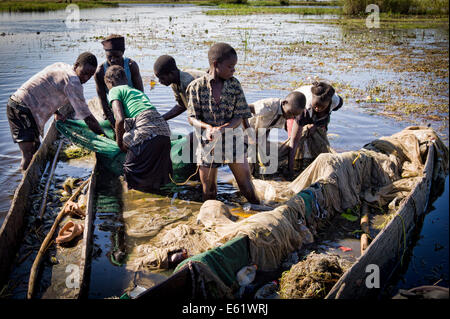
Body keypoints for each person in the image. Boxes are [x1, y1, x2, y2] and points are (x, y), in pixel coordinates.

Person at [186, 42, 259, 204]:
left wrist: (222, 129)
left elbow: (239, 116)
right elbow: (192, 117)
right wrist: (208, 128)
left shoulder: (234, 85)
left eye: (234, 67)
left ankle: (257, 209)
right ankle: (210, 220)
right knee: (209, 190)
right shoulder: (196, 87)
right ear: (215, 65)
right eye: (230, 67)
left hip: (233, 140)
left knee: (246, 186)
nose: (233, 70)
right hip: (208, 143)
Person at [6, 52, 105, 171]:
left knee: (36, 149)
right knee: (28, 155)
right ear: (77, 65)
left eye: (90, 75)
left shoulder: (61, 66)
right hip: (22, 108)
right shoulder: (73, 82)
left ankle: (28, 177)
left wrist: (56, 112)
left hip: (20, 105)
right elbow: (87, 117)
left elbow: (45, 89)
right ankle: (23, 179)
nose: (86, 78)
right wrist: (102, 136)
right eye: (84, 73)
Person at [104, 65, 172, 192]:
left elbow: (119, 120)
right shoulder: (137, 92)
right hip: (164, 133)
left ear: (109, 82)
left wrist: (120, 144)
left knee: (130, 173)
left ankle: (134, 203)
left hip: (146, 132)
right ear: (126, 79)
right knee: (154, 177)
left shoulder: (114, 90)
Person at [287, 81, 344, 175]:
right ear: (312, 101)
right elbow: (294, 140)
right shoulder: (302, 108)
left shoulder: (336, 101)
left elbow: (324, 119)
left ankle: (316, 162)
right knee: (298, 142)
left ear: (329, 103)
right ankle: (294, 163)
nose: (318, 108)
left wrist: (316, 125)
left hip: (318, 115)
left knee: (318, 138)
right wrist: (290, 169)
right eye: (316, 106)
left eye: (322, 106)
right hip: (295, 105)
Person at [245, 92, 306, 174]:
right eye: (290, 113)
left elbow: (268, 127)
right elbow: (244, 110)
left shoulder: (284, 114)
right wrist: (250, 135)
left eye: (294, 116)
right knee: (249, 162)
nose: (291, 117)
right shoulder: (269, 106)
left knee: (274, 155)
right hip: (242, 134)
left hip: (256, 139)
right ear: (284, 103)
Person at [94, 34, 144, 127]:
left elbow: (140, 93)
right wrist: (113, 123)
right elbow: (103, 100)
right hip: (114, 106)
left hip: (132, 104)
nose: (113, 60)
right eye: (109, 57)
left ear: (123, 53)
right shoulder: (100, 72)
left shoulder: (131, 66)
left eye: (117, 56)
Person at [153, 55, 206, 121]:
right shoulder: (174, 83)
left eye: (162, 78)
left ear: (171, 74)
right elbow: (182, 105)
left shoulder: (189, 83)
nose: (160, 81)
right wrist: (162, 118)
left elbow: (201, 110)